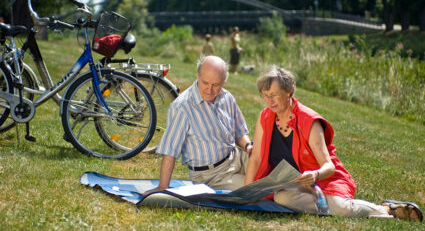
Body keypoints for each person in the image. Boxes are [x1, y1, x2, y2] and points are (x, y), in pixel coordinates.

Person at [244, 65, 423, 221]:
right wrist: (244, 194)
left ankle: (386, 209)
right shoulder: (265, 116)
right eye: (265, 96)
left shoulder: (309, 121)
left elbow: (328, 166)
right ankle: (329, 206)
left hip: (324, 179)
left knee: (342, 208)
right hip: (291, 184)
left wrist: (314, 175)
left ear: (289, 91)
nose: (269, 101)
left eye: (274, 95)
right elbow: (256, 158)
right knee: (282, 199)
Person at [151, 55, 253, 193]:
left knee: (272, 171)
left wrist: (248, 146)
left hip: (236, 158)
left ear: (224, 81)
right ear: (197, 77)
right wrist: (163, 187)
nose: (209, 90)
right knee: (256, 187)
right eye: (205, 83)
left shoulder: (227, 97)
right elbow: (170, 151)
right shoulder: (182, 107)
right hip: (211, 175)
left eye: (216, 85)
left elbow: (239, 132)